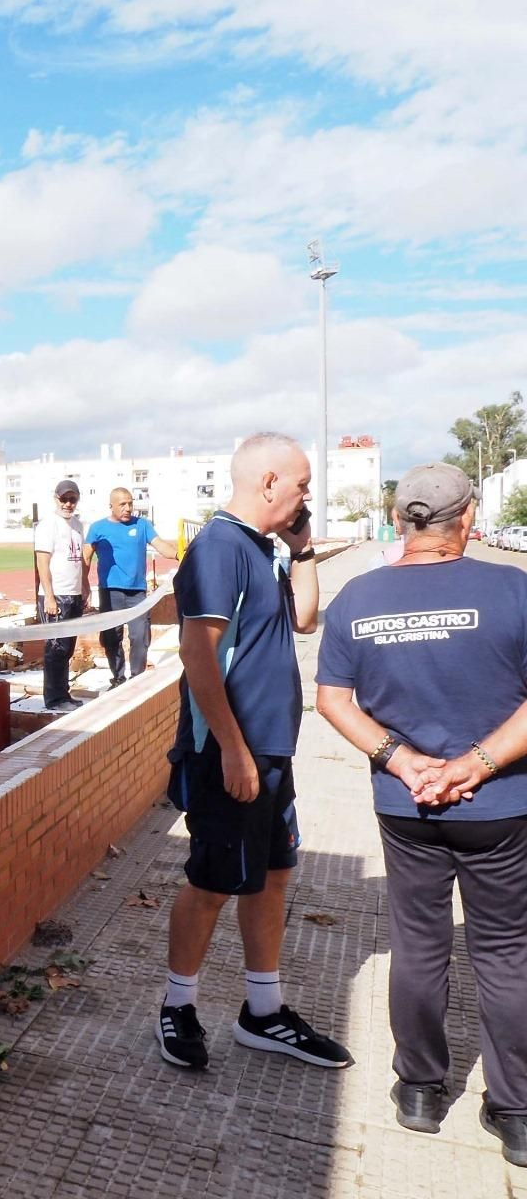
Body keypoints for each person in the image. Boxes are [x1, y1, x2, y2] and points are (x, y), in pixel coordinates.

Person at [315, 463, 527, 1165]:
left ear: (401, 521)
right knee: (502, 952)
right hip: (496, 805)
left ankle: (418, 1091)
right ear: (466, 519)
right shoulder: (512, 590)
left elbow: (333, 700)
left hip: (407, 807)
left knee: (419, 943)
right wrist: (476, 766)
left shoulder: (357, 598)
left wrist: (403, 762)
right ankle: (517, 1113)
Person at [155, 433, 352, 1073]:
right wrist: (234, 749)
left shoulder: (260, 548)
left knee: (271, 875)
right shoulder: (217, 548)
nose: (306, 495)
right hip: (227, 753)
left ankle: (262, 1013)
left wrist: (303, 552)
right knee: (213, 881)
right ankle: (178, 1006)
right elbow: (197, 654)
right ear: (268, 481)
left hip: (270, 749)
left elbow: (304, 620)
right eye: (300, 484)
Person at [83, 488, 178, 687]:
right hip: (110, 592)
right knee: (111, 637)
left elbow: (162, 546)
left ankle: (137, 678)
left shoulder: (142, 525)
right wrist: (83, 585)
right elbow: (86, 557)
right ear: (111, 506)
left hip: (137, 593)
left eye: (130, 503)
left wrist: (182, 553)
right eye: (122, 504)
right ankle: (118, 678)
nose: (127, 508)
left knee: (140, 636)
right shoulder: (98, 528)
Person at [34, 479, 87, 711]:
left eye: (72, 499)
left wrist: (84, 586)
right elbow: (42, 562)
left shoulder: (77, 525)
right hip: (56, 595)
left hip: (73, 594)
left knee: (68, 648)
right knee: (55, 648)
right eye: (63, 499)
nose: (67, 503)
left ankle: (63, 694)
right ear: (55, 498)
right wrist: (49, 596)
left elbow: (80, 561)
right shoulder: (48, 525)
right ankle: (54, 698)